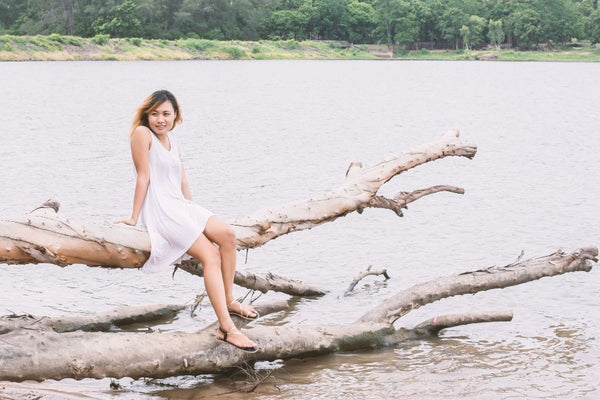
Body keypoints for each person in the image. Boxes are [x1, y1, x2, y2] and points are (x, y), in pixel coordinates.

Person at [115, 89, 259, 353]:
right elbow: (143, 177)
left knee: (227, 235)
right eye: (155, 113)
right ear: (147, 115)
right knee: (211, 257)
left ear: (176, 116)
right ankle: (226, 329)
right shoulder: (142, 134)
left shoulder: (172, 139)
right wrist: (134, 218)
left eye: (166, 114)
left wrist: (194, 210)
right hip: (162, 208)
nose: (160, 119)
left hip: (181, 206)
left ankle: (229, 300)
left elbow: (181, 177)